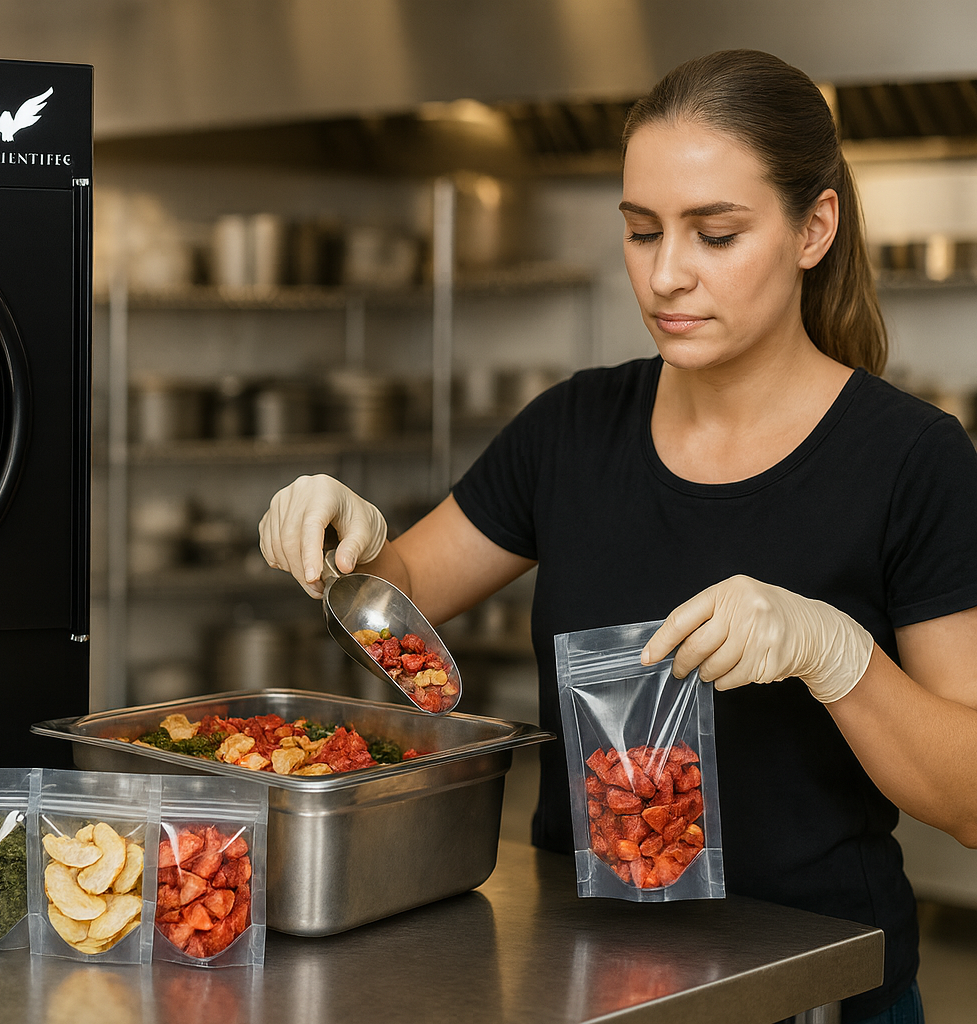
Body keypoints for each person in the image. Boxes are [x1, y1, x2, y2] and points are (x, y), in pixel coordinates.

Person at [259, 50, 977, 1024]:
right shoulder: (571, 430)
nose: (667, 273)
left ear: (815, 227)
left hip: (818, 993)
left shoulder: (912, 459)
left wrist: (836, 654)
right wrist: (334, 536)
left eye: (715, 234)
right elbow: (396, 595)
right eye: (642, 232)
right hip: (596, 988)